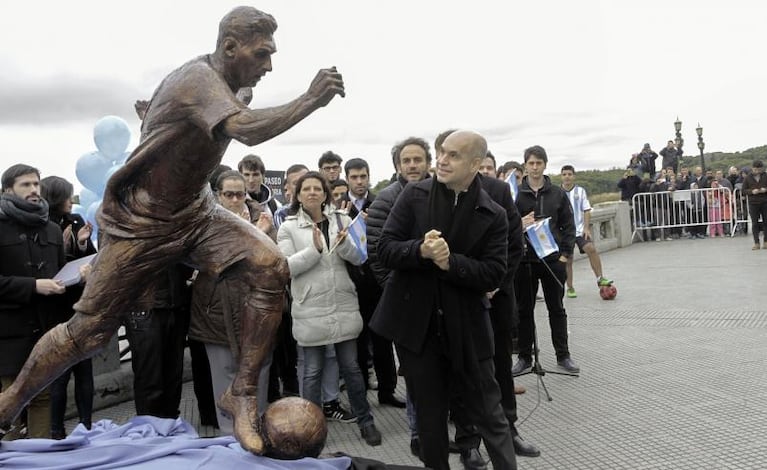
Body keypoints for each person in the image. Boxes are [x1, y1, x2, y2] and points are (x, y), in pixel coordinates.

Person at [0, 7, 345, 455]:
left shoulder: (230, 84)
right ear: (229, 48)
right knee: (88, 334)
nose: (268, 66)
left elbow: (180, 130)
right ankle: (8, 405)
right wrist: (310, 99)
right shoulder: (199, 81)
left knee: (269, 267)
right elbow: (248, 131)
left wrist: (153, 119)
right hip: (141, 226)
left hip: (197, 214)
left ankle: (240, 392)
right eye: (261, 55)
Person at [371, 130, 518, 470]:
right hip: (417, 328)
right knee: (430, 418)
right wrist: (419, 250)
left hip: (467, 325)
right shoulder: (413, 196)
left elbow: (494, 273)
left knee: (489, 412)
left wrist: (450, 263)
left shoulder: (492, 212)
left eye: (453, 155)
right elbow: (384, 248)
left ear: (475, 164)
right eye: (442, 153)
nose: (443, 161)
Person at [276, 172, 382, 446]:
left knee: (352, 368)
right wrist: (314, 250)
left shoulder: (342, 220)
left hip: (342, 303)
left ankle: (365, 421)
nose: (312, 192)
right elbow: (286, 267)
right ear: (297, 195)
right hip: (309, 306)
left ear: (325, 193)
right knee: (311, 371)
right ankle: (312, 428)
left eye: (317, 188)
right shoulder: (287, 227)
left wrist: (346, 243)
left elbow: (360, 257)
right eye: (306, 188)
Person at [188, 170, 277, 433]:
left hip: (256, 310)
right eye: (229, 194)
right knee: (225, 375)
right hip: (217, 312)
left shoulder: (265, 219)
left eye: (241, 194)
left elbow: (275, 261)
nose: (236, 199)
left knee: (258, 372)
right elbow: (209, 261)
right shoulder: (203, 223)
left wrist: (261, 235)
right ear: (218, 195)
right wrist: (252, 237)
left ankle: (257, 428)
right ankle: (229, 436)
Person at [366, 136, 432, 458]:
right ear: (397, 166)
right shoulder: (385, 201)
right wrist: (401, 291)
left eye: (418, 159)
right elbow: (377, 255)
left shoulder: (445, 194)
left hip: (443, 299)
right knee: (414, 371)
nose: (412, 165)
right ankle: (419, 430)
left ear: (428, 162)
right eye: (406, 161)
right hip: (405, 302)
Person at [0, 164, 67, 439]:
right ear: (7, 190)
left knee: (43, 398)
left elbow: (60, 275)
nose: (33, 190)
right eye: (25, 185)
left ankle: (40, 461)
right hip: (8, 334)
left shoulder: (51, 229)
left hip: (46, 332)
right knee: (10, 403)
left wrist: (80, 276)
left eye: (36, 185)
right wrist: (33, 286)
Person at [511, 146, 579, 375]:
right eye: (530, 163)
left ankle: (563, 355)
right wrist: (520, 223)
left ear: (545, 165)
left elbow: (569, 227)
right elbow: (505, 226)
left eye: (538, 163)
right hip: (524, 260)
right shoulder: (515, 194)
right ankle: (524, 357)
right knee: (524, 311)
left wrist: (564, 255)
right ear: (525, 166)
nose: (534, 167)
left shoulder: (557, 193)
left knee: (556, 309)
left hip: (551, 260)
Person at [40, 176, 96, 439]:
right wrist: (63, 248)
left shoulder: (75, 221)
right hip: (55, 308)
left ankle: (87, 425)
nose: (70, 201)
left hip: (79, 305)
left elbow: (91, 258)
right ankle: (56, 430)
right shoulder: (42, 225)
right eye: (66, 196)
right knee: (59, 375)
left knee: (85, 371)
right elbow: (46, 268)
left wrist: (83, 242)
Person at [560, 166, 612, 298]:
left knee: (591, 248)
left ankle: (600, 278)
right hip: (564, 232)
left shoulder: (580, 191)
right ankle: (570, 287)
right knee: (569, 259)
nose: (567, 177)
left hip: (579, 229)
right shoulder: (557, 192)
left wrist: (586, 227)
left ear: (574, 176)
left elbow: (586, 210)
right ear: (561, 176)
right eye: (564, 174)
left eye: (570, 174)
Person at [741, 160, 767, 250]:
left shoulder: (765, 175)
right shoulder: (748, 177)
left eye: (759, 170)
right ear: (752, 168)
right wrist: (751, 191)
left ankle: (766, 242)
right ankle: (756, 243)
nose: (757, 171)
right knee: (754, 223)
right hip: (753, 203)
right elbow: (743, 190)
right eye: (755, 169)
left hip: (764, 201)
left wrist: (765, 189)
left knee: (766, 222)